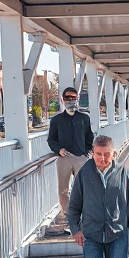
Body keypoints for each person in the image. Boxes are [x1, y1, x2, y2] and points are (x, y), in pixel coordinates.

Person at [48, 87, 94, 224]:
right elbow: (51, 139)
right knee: (63, 189)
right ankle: (69, 214)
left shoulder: (84, 118)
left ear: (77, 99)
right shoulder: (56, 120)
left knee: (83, 187)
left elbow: (89, 136)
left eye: (73, 98)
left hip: (81, 157)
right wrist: (58, 149)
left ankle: (84, 213)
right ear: (62, 100)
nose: (70, 100)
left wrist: (87, 151)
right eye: (67, 98)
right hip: (64, 157)